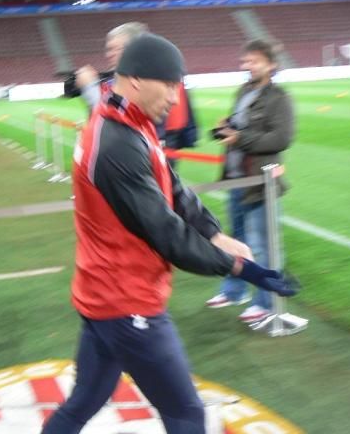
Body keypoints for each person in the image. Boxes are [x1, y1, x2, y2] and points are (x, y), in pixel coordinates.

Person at [41, 33, 297, 434]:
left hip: (104, 297)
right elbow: (167, 234)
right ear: (139, 80)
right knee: (186, 414)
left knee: (82, 404)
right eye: (171, 84)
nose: (177, 98)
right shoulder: (115, 142)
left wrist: (214, 234)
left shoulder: (127, 121)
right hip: (127, 304)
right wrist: (239, 268)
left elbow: (172, 186)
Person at [206, 39, 295, 323]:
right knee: (237, 240)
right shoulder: (243, 91)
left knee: (262, 245)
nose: (247, 65)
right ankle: (234, 292)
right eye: (245, 61)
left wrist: (241, 138)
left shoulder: (279, 97)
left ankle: (266, 301)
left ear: (271, 65)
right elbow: (238, 128)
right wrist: (225, 130)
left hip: (260, 182)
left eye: (254, 61)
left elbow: (282, 138)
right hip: (235, 178)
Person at [74, 22, 198, 168]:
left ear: (134, 50)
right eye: (109, 49)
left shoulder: (145, 85)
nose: (109, 54)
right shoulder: (122, 82)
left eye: (116, 49)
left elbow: (109, 134)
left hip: (148, 158)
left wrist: (90, 89)